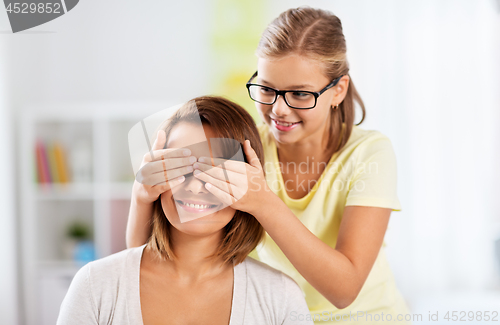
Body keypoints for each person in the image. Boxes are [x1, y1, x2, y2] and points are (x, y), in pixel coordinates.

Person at [127, 7, 412, 325]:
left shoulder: (369, 153)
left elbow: (344, 290)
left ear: (338, 90)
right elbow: (149, 263)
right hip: (274, 315)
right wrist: (142, 196)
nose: (279, 109)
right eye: (266, 89)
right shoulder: (247, 145)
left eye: (300, 94)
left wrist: (264, 203)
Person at [57, 96, 313, 325]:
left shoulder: (279, 296)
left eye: (218, 171)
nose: (195, 186)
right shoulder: (95, 285)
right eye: (180, 165)